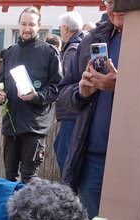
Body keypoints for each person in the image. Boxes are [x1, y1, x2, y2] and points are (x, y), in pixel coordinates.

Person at [51, 0, 123, 220]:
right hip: (93, 156)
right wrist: (82, 92)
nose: (112, 11)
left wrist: (120, 86)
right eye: (107, 5)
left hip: (130, 159)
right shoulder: (94, 39)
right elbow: (64, 94)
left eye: (118, 6)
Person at [0, 7, 61, 184]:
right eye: (24, 24)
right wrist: (0, 97)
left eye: (31, 24)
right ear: (18, 24)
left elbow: (57, 88)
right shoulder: (10, 53)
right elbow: (2, 84)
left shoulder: (49, 53)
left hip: (34, 127)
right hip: (11, 126)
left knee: (29, 180)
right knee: (9, 178)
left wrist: (36, 96)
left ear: (39, 25)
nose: (27, 28)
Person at [53, 10, 85, 174]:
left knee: (64, 154)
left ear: (65, 29)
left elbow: (66, 80)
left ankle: (68, 188)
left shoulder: (73, 49)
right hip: (74, 109)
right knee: (60, 147)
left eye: (60, 28)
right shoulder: (80, 44)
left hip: (71, 110)